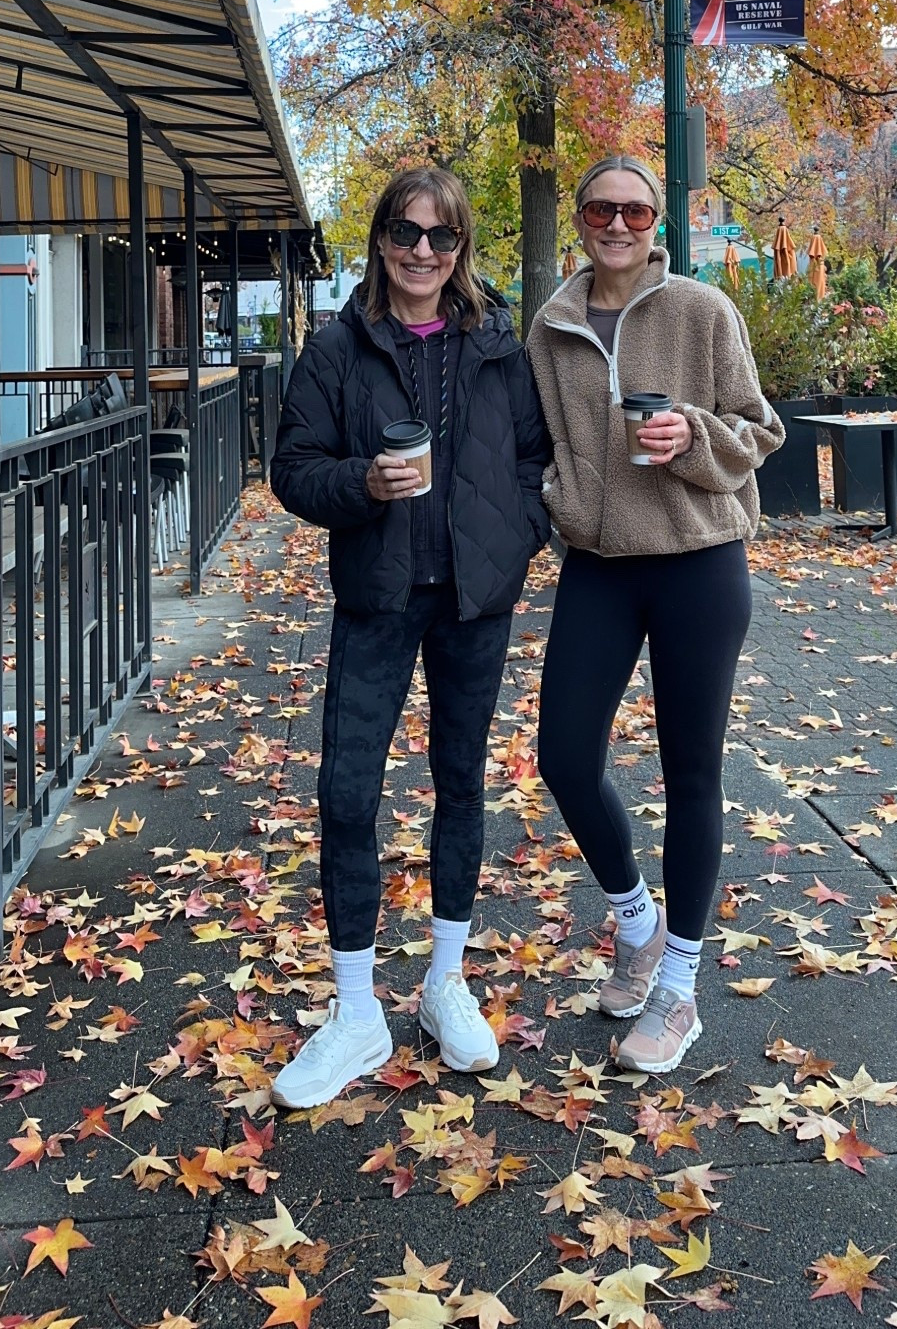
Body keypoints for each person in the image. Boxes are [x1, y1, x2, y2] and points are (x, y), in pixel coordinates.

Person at [268, 167, 551, 1107]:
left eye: (441, 236)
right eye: (404, 231)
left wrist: (516, 536)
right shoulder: (339, 347)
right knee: (347, 792)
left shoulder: (501, 344)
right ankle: (355, 1013)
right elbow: (293, 469)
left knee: (460, 784)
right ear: (380, 236)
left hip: (476, 599)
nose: (421, 251)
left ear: (462, 246)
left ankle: (445, 982)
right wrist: (361, 486)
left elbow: (533, 457)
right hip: (378, 596)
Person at [526, 156, 784, 1075]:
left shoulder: (703, 312)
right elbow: (535, 444)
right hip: (599, 566)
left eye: (636, 208)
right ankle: (636, 922)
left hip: (699, 566)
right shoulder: (550, 328)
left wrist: (692, 436)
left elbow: (760, 429)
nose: (619, 223)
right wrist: (557, 497)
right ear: (584, 220)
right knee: (562, 757)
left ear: (655, 224)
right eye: (603, 207)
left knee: (690, 776)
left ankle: (678, 989)